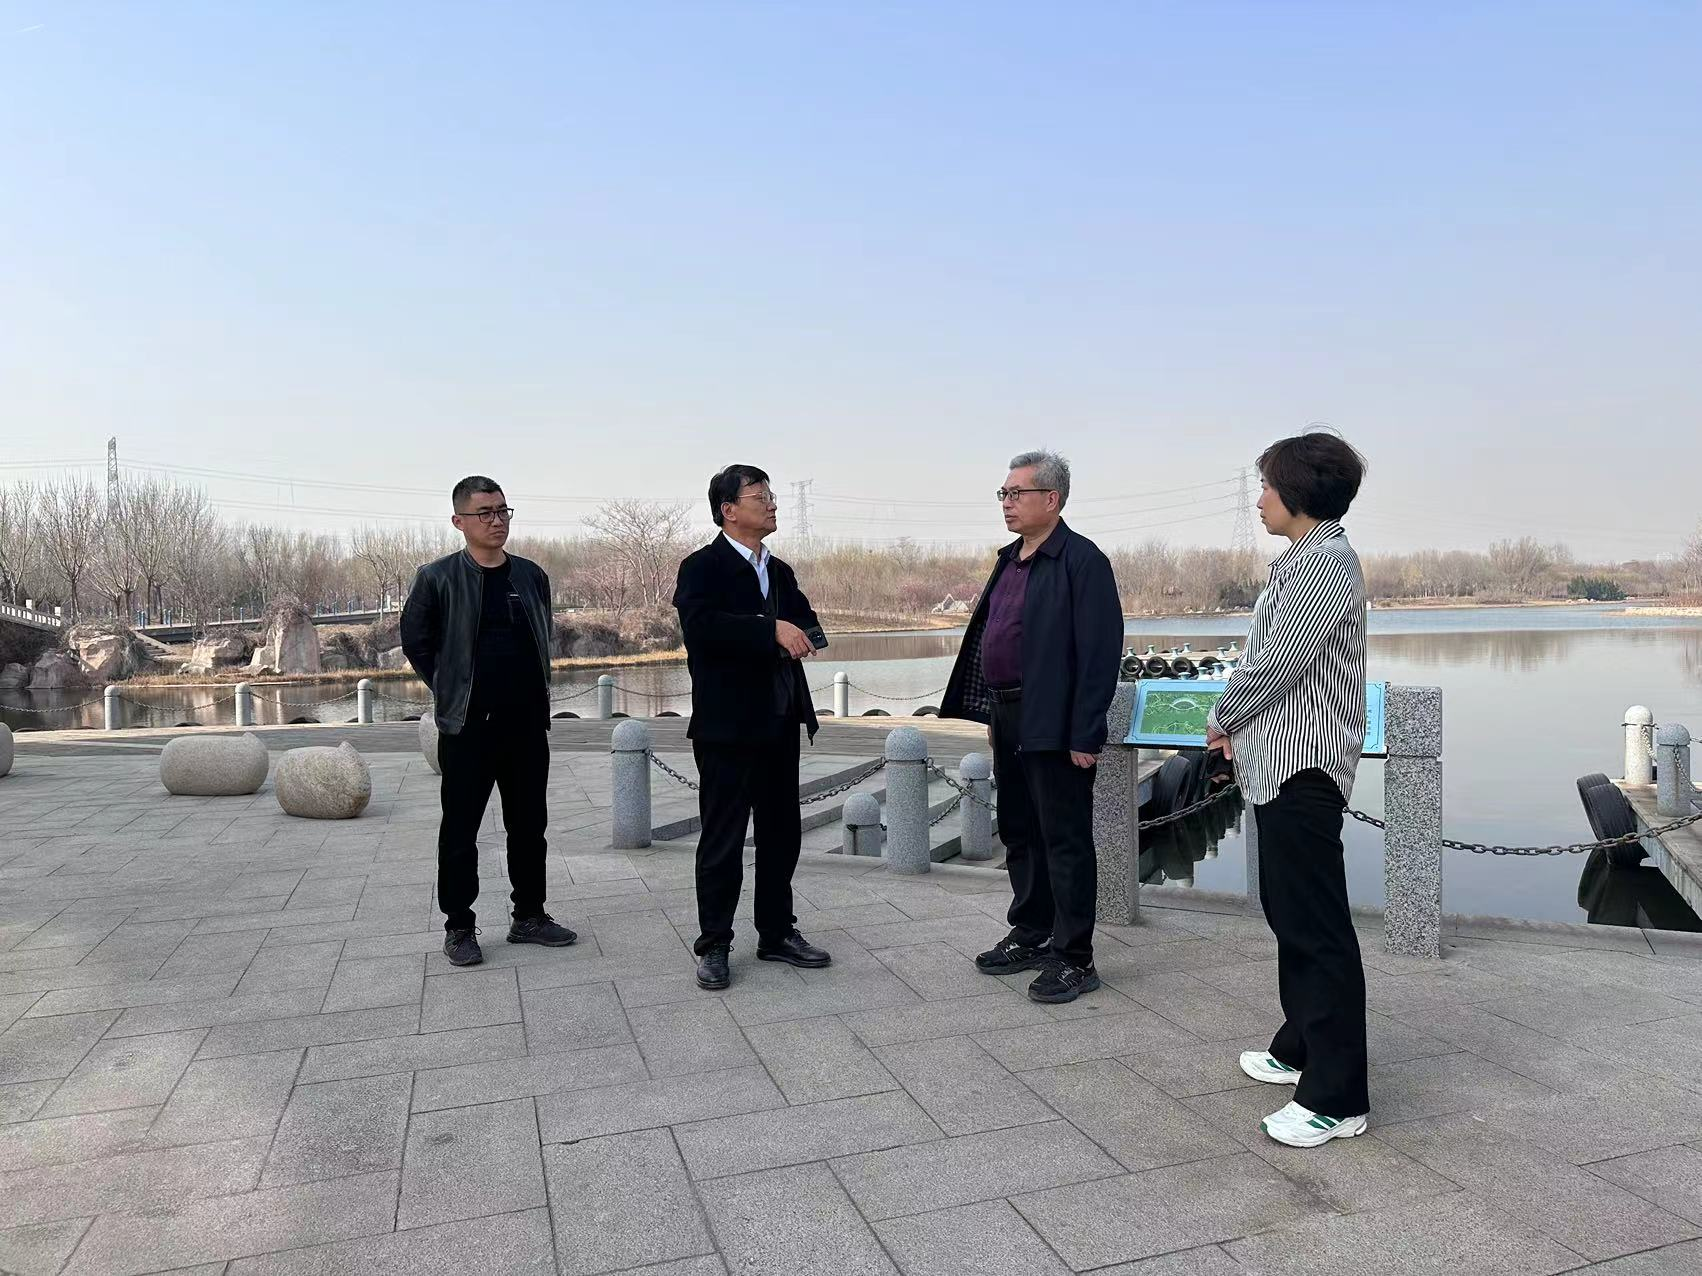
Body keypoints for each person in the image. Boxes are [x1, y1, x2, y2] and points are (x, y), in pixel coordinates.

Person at [1205, 431, 1370, 1149]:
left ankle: (1337, 1096)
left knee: (1316, 928)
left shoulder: (1324, 562)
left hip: (1304, 766)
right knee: (1290, 913)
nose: (1260, 500)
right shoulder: (1305, 557)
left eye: (1268, 486)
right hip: (1278, 762)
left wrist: (1221, 716)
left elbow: (1278, 663)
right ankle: (1298, 1044)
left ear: (1299, 492)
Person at [940, 450, 1123, 1004]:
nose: (1007, 503)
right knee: (1020, 830)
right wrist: (992, 715)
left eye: (1017, 493)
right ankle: (1032, 931)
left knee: (1064, 838)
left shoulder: (1082, 561)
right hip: (1009, 714)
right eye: (1003, 493)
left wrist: (1085, 734)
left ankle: (1075, 957)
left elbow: (1099, 655)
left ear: (1052, 499)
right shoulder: (1010, 560)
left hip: (1055, 720)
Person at [400, 476, 577, 967]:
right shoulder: (436, 578)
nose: (497, 521)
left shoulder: (531, 576)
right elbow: (416, 641)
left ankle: (530, 916)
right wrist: (451, 688)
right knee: (460, 832)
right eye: (485, 513)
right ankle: (459, 926)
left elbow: (541, 636)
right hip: (468, 728)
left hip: (526, 725)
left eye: (502, 511)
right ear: (459, 521)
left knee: (530, 827)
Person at [672, 464, 831, 991]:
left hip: (780, 719)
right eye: (760, 497)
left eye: (771, 495)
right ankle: (715, 943)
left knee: (782, 833)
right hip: (727, 726)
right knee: (723, 837)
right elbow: (702, 630)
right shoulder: (702, 567)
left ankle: (777, 932)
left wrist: (792, 632)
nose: (772, 504)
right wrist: (770, 631)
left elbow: (809, 626)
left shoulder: (779, 570)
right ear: (729, 510)